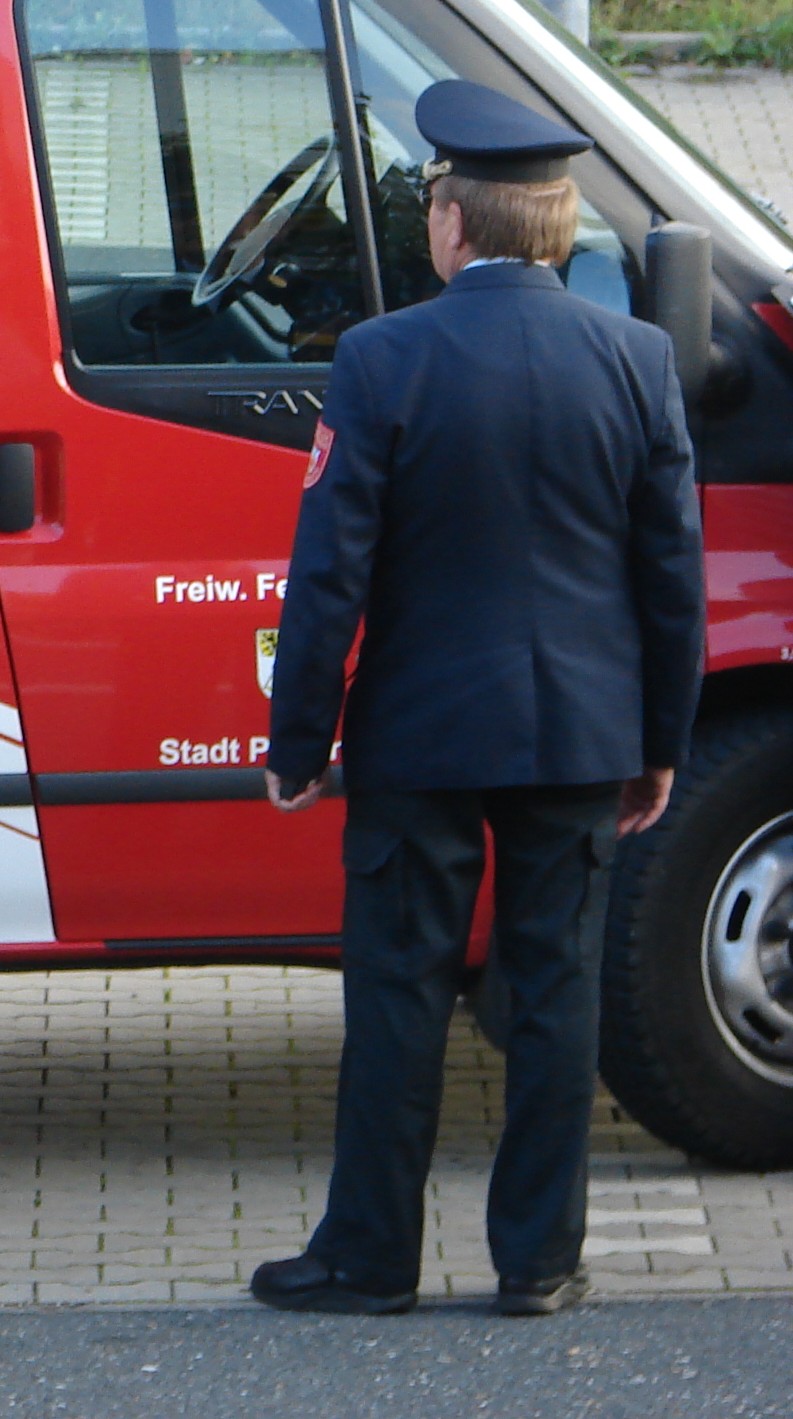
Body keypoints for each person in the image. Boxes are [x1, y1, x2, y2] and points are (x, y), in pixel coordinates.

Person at [251, 80, 704, 1320]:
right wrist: (658, 742)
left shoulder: (380, 357)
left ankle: (367, 1261)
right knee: (555, 996)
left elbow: (328, 572)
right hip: (579, 733)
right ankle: (538, 1264)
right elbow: (669, 576)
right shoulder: (637, 359)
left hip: (422, 733)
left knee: (397, 991)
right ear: (553, 225)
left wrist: (297, 738)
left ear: (451, 224)